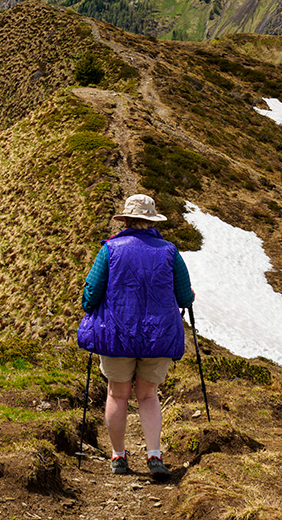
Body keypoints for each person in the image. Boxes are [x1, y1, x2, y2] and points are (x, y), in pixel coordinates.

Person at [77, 193, 195, 479]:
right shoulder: (169, 252)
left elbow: (90, 294)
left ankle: (118, 456)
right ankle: (154, 455)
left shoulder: (110, 250)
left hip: (117, 335)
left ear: (126, 219)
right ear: (151, 219)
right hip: (158, 337)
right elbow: (184, 297)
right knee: (148, 395)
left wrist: (89, 305)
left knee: (117, 394)